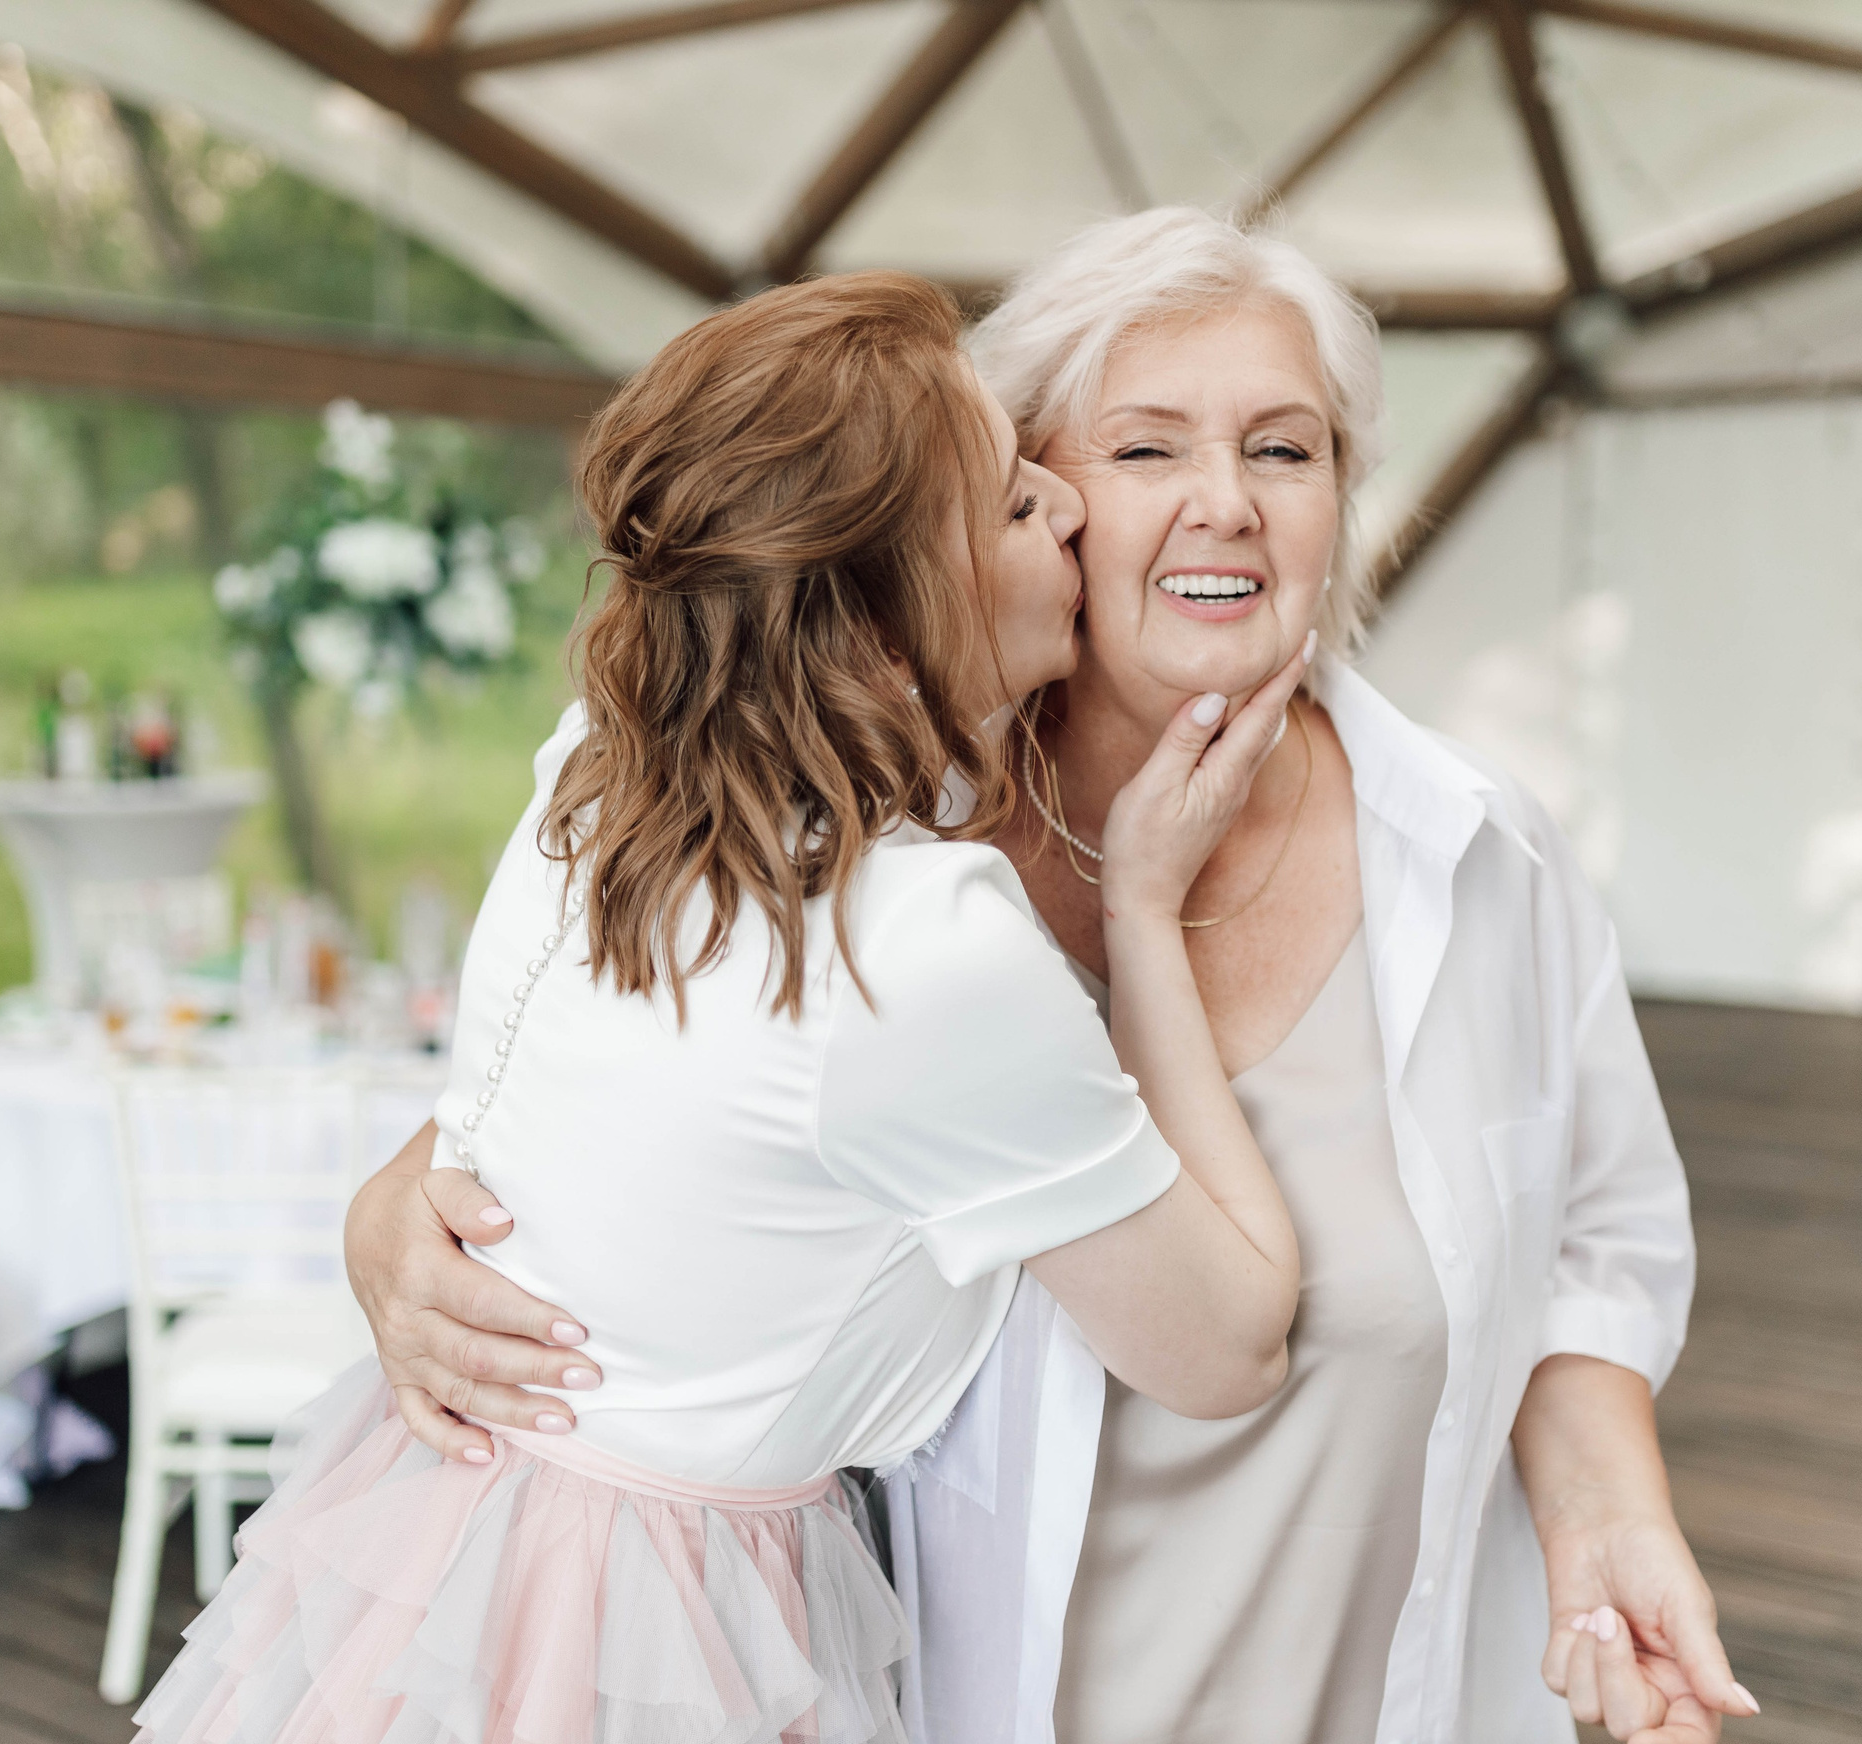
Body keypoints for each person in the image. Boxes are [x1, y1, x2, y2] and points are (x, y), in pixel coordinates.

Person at [347, 213, 1750, 1744]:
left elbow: (1598, 1239)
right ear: (1002, 503)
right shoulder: (867, 874)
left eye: (1285, 451)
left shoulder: (1480, 856)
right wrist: (399, 1206)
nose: (1228, 503)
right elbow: (654, 1101)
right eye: (1144, 450)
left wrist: (1609, 1517)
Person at [133, 272, 1309, 1742]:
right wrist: (1141, 906)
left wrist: (387, 1207)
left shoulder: (596, 771)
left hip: (445, 1541)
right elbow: (1229, 1346)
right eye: (1015, 504)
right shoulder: (913, 948)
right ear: (883, 634)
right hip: (639, 1620)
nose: (1070, 508)